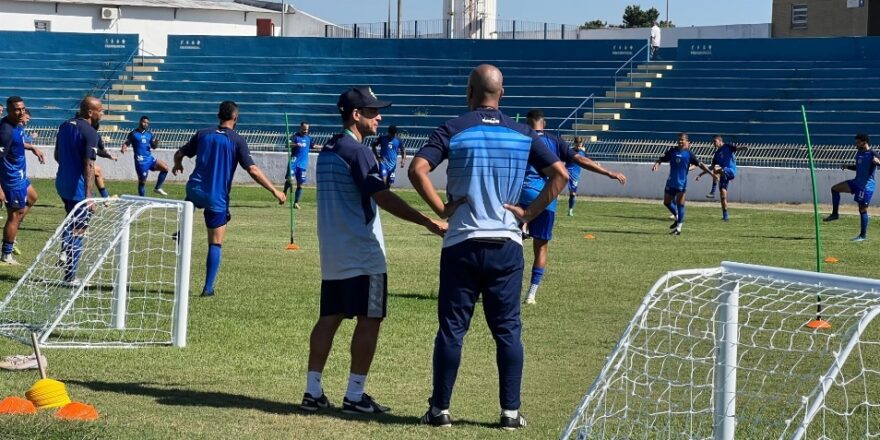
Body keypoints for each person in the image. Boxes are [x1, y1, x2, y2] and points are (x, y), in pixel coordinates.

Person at [409, 65, 568, 429]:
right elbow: (560, 175)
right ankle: (510, 413)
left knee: (452, 329)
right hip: (506, 244)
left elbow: (418, 169)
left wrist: (440, 209)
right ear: (502, 94)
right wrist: (528, 212)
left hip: (462, 242)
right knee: (508, 330)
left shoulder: (453, 129)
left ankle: (440, 411)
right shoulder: (524, 133)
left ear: (469, 92)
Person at [300, 87, 447, 416]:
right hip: (363, 254)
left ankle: (313, 391)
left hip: (334, 252)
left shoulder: (328, 149)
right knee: (370, 319)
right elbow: (383, 197)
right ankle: (355, 395)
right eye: (372, 111)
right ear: (356, 115)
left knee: (329, 318)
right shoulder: (359, 152)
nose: (379, 116)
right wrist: (427, 221)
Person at [173, 101, 286, 297]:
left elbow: (179, 152)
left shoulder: (203, 134)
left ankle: (182, 230)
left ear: (219, 115)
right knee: (215, 243)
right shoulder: (237, 140)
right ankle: (208, 288)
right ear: (235, 118)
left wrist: (177, 164)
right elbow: (252, 169)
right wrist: (275, 191)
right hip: (216, 196)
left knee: (192, 199)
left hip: (194, 189)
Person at [520, 110, 626, 305]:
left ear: (527, 123)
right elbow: (580, 160)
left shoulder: (521, 137)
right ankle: (531, 294)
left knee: (512, 245)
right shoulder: (555, 141)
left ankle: (507, 287)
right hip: (547, 198)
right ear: (544, 123)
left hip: (523, 196)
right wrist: (608, 172)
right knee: (541, 248)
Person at [55, 97, 102, 283]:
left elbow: (57, 155)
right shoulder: (90, 132)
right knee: (79, 229)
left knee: (71, 220)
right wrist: (89, 197)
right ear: (90, 112)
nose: (103, 114)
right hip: (78, 187)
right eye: (100, 110)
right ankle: (70, 276)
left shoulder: (65, 125)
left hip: (62, 183)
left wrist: (68, 168)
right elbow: (89, 165)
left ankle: (63, 251)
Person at [0, 97, 45, 265]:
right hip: (11, 179)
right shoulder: (5, 131)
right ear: (9, 110)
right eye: (16, 110)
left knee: (32, 197)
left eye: (23, 109)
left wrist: (32, 147)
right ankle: (6, 254)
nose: (21, 112)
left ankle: (13, 231)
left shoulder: (17, 125)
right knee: (14, 215)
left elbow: (17, 143)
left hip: (20, 176)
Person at [651, 132, 716, 236]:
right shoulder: (672, 151)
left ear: (687, 141)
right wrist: (657, 164)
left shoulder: (689, 154)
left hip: (681, 183)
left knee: (680, 204)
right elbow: (661, 159)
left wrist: (711, 174)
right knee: (666, 202)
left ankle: (679, 229)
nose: (680, 142)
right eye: (679, 140)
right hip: (671, 181)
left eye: (682, 140)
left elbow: (700, 165)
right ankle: (677, 216)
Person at [823, 133, 880, 242]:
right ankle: (835, 214)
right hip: (856, 183)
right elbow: (858, 167)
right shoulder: (859, 153)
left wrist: (878, 163)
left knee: (862, 210)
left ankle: (862, 236)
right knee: (835, 189)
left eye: (858, 142)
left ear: (864, 142)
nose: (856, 144)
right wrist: (847, 166)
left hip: (866, 187)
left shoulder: (873, 153)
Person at [696, 135, 747, 221]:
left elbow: (736, 148)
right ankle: (725, 216)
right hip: (723, 174)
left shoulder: (727, 146)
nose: (713, 144)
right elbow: (710, 168)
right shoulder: (716, 155)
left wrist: (743, 148)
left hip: (730, 171)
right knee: (723, 196)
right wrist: (700, 174)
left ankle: (712, 191)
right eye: (713, 142)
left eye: (715, 141)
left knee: (716, 170)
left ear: (720, 141)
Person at [121, 115, 169, 197]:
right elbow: (127, 142)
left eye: (147, 123)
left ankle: (157, 188)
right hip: (140, 162)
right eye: (144, 122)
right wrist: (124, 147)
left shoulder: (149, 134)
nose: (145, 124)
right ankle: (143, 199)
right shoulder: (133, 133)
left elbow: (153, 146)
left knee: (165, 168)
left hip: (150, 159)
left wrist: (156, 143)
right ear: (140, 122)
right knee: (142, 182)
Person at [287, 121, 314, 209]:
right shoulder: (295, 137)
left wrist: (323, 147)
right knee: (290, 180)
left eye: (306, 129)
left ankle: (296, 203)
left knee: (300, 185)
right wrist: (295, 144)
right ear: (300, 128)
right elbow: (287, 144)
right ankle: (284, 192)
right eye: (303, 129)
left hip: (302, 165)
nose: (305, 131)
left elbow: (313, 146)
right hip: (293, 163)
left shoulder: (308, 138)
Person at [566, 136, 586, 217]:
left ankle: (570, 210)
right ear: (574, 143)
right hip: (566, 172)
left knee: (573, 193)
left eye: (580, 144)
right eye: (577, 144)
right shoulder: (570, 151)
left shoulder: (583, 152)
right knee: (556, 190)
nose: (578, 146)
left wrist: (595, 163)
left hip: (575, 175)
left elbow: (588, 160)